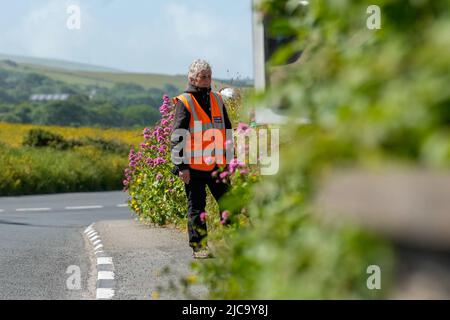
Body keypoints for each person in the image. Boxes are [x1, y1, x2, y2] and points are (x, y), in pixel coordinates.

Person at [170, 59, 233, 259]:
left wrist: (231, 160)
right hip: (194, 167)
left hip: (218, 165)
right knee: (197, 208)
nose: (207, 80)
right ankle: (200, 247)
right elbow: (178, 134)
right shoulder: (185, 101)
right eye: (203, 76)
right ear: (193, 78)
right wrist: (181, 166)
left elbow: (228, 131)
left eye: (209, 76)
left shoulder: (217, 99)